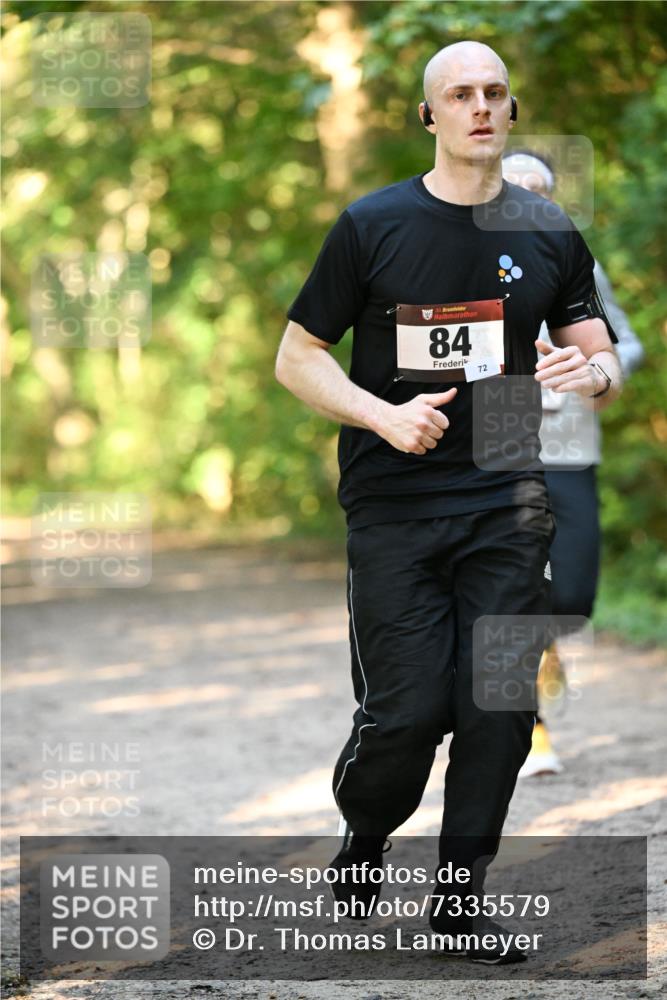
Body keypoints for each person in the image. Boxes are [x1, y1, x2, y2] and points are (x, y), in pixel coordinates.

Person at [275, 40, 621, 964]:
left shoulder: (546, 231)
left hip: (507, 487)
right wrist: (382, 416)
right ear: (428, 115)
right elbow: (297, 355)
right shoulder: (374, 223)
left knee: (499, 704)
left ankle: (460, 899)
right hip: (393, 496)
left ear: (510, 112)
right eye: (458, 94)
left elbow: (600, 358)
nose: (478, 106)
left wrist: (583, 371)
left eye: (494, 93)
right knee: (405, 714)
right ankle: (364, 841)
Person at [501, 150, 644, 777]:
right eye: (516, 188)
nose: (530, 198)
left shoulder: (578, 266)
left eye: (541, 190)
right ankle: (531, 731)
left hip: (569, 445)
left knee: (576, 595)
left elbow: (625, 343)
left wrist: (590, 370)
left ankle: (550, 641)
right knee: (508, 586)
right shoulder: (465, 264)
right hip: (500, 447)